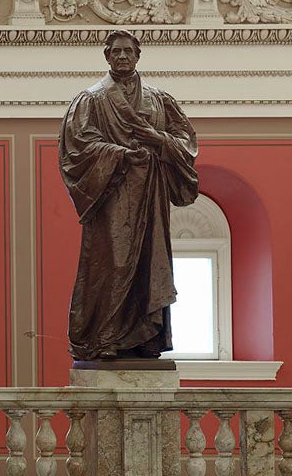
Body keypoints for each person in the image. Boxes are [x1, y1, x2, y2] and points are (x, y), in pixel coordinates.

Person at [59, 30, 198, 361]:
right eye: (116, 52)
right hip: (112, 195)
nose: (122, 57)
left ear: (138, 56)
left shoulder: (160, 100)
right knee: (113, 264)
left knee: (152, 262)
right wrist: (119, 154)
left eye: (128, 51)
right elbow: (76, 147)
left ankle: (147, 335)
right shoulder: (91, 100)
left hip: (151, 195)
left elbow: (186, 142)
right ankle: (105, 336)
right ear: (107, 56)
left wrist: (157, 138)